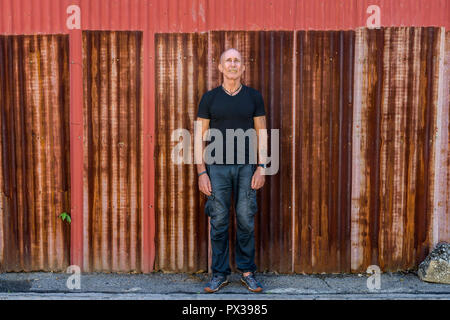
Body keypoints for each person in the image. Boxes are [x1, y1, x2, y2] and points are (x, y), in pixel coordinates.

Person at [194, 48, 267, 293]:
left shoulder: (253, 97)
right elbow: (198, 138)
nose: (233, 64)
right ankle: (220, 274)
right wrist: (202, 172)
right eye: (228, 60)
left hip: (247, 167)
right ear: (220, 67)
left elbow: (262, 133)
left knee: (246, 219)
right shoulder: (210, 98)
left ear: (243, 67)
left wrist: (262, 166)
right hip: (216, 168)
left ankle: (247, 271)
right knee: (219, 220)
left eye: (237, 61)